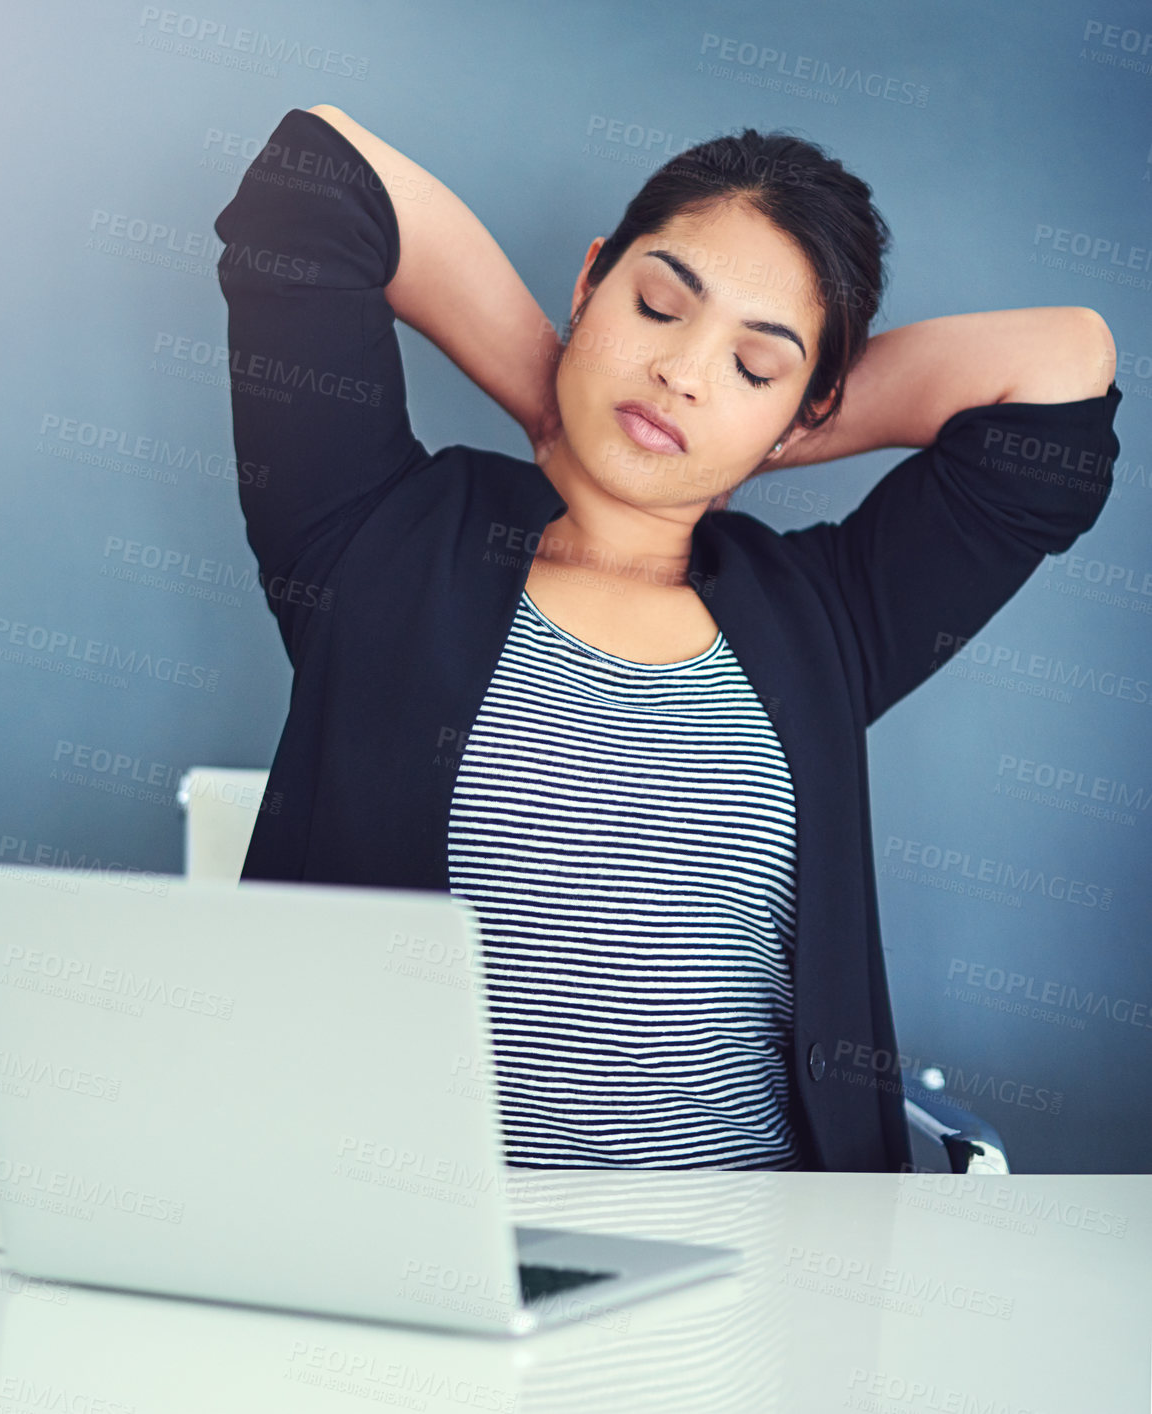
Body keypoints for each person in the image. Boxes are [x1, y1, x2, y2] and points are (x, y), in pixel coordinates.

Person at [212, 104, 1122, 1172]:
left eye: (755, 365)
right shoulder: (376, 545)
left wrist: (755, 435)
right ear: (591, 279)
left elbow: (1064, 369)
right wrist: (554, 397)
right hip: (410, 1272)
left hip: (765, 1283)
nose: (683, 373)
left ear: (810, 409)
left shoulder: (825, 619)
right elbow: (314, 178)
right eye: (656, 305)